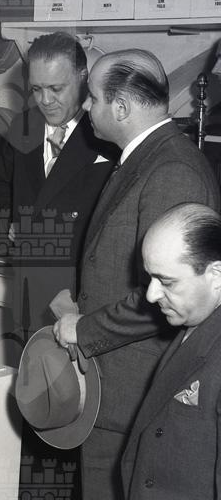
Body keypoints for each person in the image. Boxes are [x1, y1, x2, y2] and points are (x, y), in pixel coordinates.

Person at [53, 49, 220, 500]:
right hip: (113, 386)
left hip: (130, 392)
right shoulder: (145, 157)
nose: (86, 107)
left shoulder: (171, 170)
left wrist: (84, 329)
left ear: (122, 107)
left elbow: (169, 293)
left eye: (93, 98)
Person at [0, 31, 118, 335]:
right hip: (28, 284)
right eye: (36, 89)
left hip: (79, 290)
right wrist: (8, 222)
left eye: (56, 88)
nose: (45, 100)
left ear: (83, 77)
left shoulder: (106, 132)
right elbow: (1, 184)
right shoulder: (23, 125)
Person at [121, 203, 221, 500]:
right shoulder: (194, 325)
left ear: (216, 274)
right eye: (149, 279)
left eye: (167, 282)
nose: (151, 295)